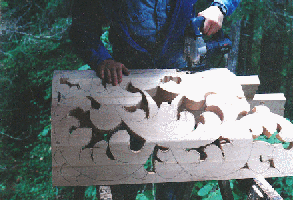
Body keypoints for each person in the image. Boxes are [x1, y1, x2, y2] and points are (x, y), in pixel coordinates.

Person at [70, 0, 240, 199]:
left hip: (180, 87)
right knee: (124, 177)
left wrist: (220, 7)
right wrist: (101, 59)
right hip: (127, 87)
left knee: (176, 180)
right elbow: (82, 27)